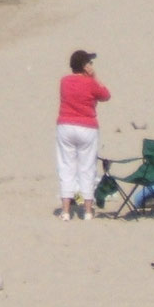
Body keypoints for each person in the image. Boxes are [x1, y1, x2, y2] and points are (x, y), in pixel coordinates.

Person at [55, 50, 109, 220]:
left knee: (66, 166)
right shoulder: (90, 83)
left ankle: (65, 211)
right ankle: (87, 210)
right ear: (85, 66)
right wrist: (93, 77)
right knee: (87, 167)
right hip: (86, 126)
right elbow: (105, 95)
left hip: (65, 125)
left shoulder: (64, 81)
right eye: (90, 63)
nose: (92, 66)